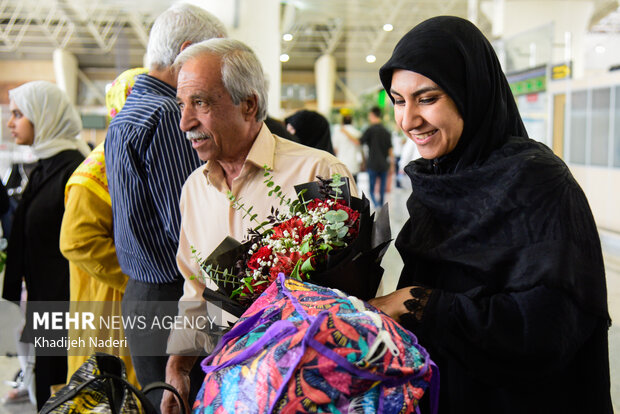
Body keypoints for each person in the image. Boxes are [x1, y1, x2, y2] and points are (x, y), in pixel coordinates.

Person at [369, 16, 612, 413]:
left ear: (470, 93)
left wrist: (419, 302)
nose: (408, 120)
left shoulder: (536, 182)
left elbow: (550, 326)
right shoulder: (437, 181)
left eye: (427, 98)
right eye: (398, 100)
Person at [162, 38, 357, 414]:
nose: (185, 122)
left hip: (311, 389)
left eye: (200, 103)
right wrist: (178, 365)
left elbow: (352, 300)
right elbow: (196, 290)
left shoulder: (319, 173)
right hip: (229, 387)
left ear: (248, 104)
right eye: (181, 105)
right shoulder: (193, 191)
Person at [103, 4, 226, 411]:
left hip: (141, 292)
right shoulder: (165, 117)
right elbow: (190, 227)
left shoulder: (127, 115)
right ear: (187, 53)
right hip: (175, 295)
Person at [2, 81, 90, 410]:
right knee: (46, 386)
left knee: (60, 388)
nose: (11, 122)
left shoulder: (73, 169)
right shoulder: (42, 167)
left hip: (63, 307)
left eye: (18, 114)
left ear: (44, 116)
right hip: (44, 302)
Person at [59, 67, 147, 386]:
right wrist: (139, 279)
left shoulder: (133, 157)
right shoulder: (98, 168)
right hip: (108, 306)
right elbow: (77, 240)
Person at [360, 106, 394, 207]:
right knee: (382, 189)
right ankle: (380, 204)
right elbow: (390, 149)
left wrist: (344, 131)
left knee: (371, 188)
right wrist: (392, 165)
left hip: (372, 164)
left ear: (372, 115)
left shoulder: (369, 130)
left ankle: (376, 205)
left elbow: (359, 142)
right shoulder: (386, 131)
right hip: (384, 164)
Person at [332, 111, 363, 183]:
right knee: (354, 187)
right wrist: (362, 163)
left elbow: (335, 150)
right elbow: (360, 150)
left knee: (343, 189)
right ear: (352, 122)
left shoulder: (337, 133)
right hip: (354, 164)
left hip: (341, 163)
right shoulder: (357, 132)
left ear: (342, 122)